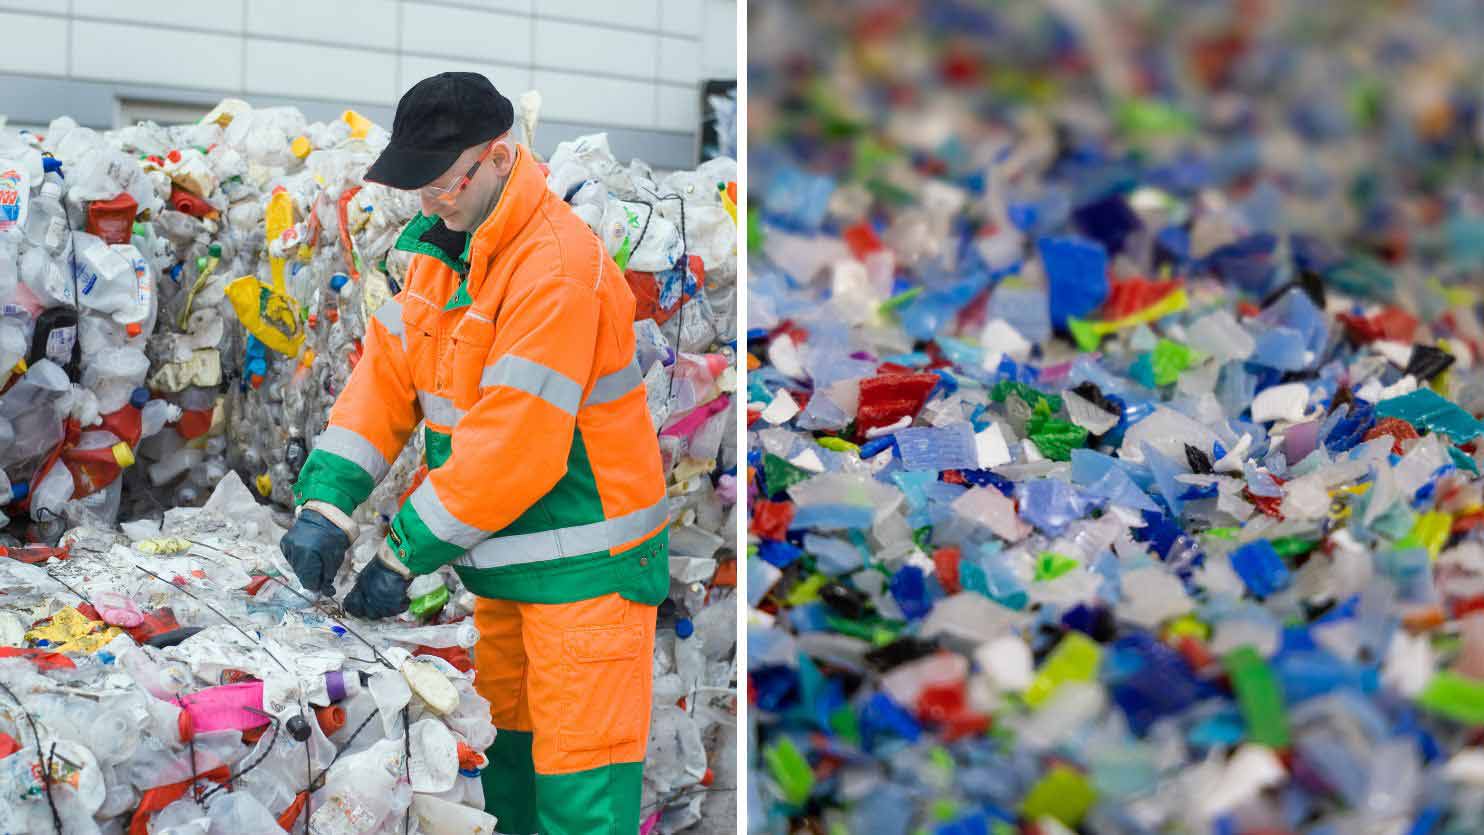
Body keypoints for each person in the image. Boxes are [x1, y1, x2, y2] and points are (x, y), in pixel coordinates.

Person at [279, 72, 670, 835]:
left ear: (498, 158)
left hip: (590, 579)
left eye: (443, 184)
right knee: (506, 776)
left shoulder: (556, 269)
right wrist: (326, 502)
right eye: (419, 189)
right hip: (509, 573)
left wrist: (400, 557)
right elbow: (384, 381)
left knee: (580, 801)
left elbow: (512, 449)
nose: (431, 203)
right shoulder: (439, 256)